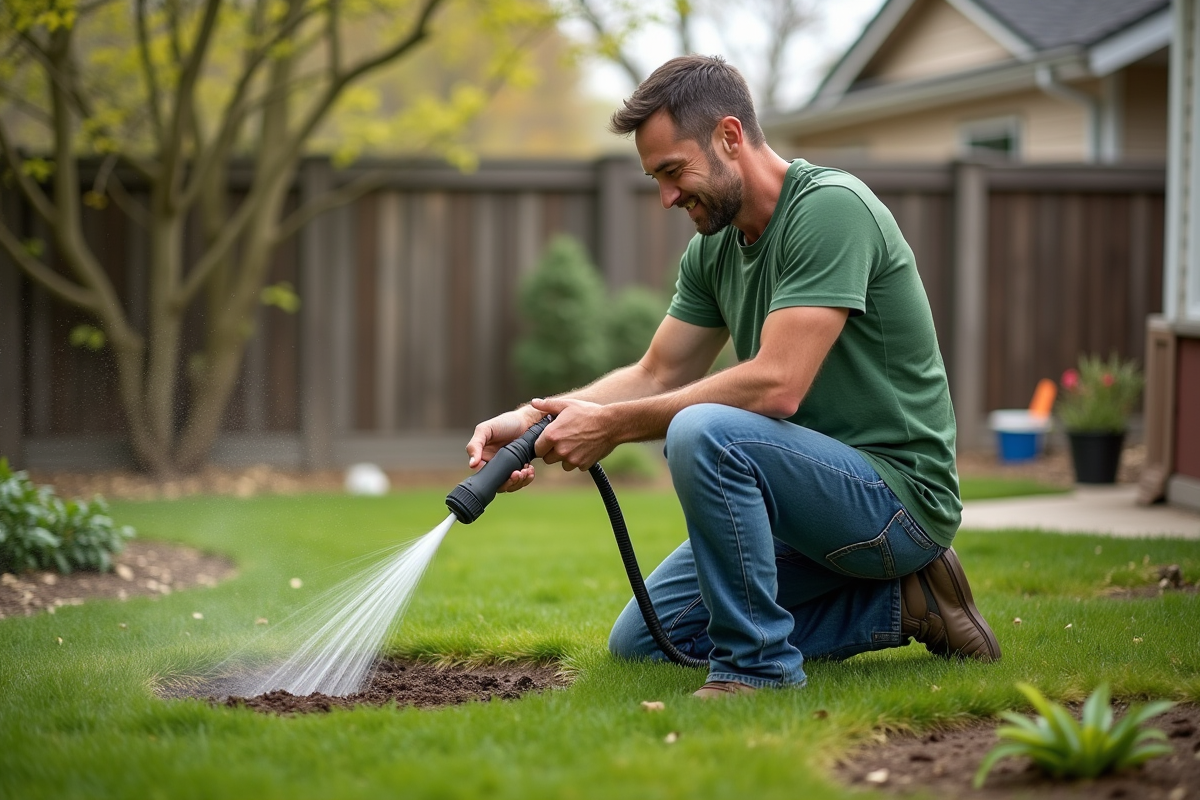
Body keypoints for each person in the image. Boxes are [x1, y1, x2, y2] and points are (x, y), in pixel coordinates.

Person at [465, 54, 1000, 698]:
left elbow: (778, 384)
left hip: (894, 500)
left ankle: (758, 668)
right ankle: (906, 604)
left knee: (705, 431)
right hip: (801, 506)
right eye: (655, 178)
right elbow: (657, 371)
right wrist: (532, 419)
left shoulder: (831, 210)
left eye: (672, 171)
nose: (666, 197)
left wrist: (611, 427)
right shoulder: (714, 249)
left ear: (729, 137)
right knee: (646, 641)